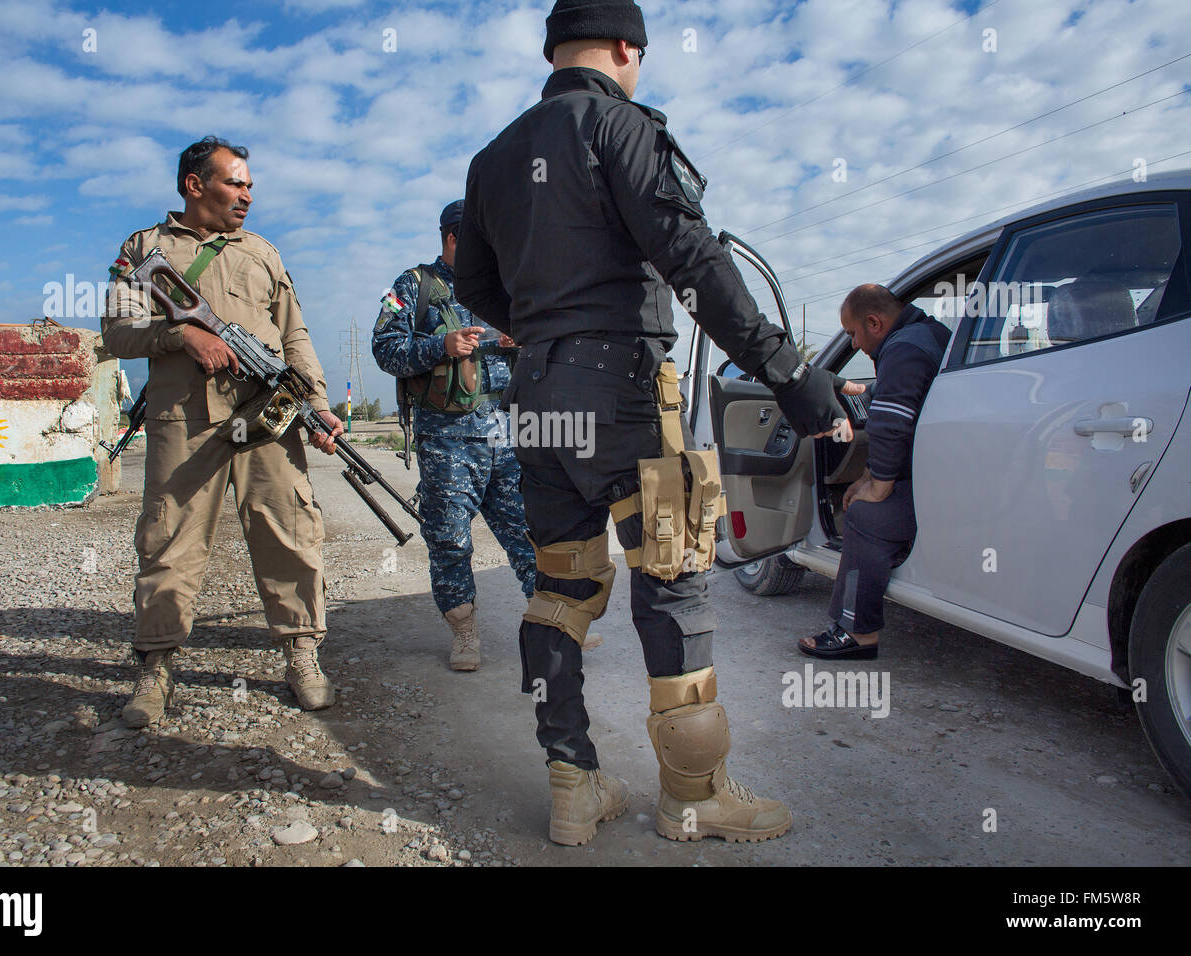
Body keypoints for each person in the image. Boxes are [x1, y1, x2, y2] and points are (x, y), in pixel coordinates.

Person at [455, 0, 855, 846]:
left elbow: (477, 290)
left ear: (553, 52)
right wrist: (795, 379)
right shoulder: (622, 127)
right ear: (628, 49)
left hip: (534, 398)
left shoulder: (492, 160)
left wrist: (544, 331)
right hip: (624, 393)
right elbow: (697, 261)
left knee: (562, 588)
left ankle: (574, 789)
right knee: (674, 578)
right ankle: (693, 796)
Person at [101, 135, 345, 729]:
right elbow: (118, 331)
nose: (247, 195)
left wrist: (316, 404)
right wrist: (182, 336)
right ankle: (155, 668)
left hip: (268, 419)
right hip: (184, 421)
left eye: (250, 186)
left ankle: (301, 653)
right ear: (194, 185)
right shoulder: (146, 248)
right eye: (236, 183)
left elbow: (294, 336)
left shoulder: (263, 252)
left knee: (289, 530)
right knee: (170, 541)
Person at [372, 201, 537, 670]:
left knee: (528, 530)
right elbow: (384, 350)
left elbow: (538, 338)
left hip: (504, 432)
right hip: (446, 440)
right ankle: (464, 632)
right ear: (453, 239)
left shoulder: (501, 285)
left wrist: (517, 339)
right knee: (449, 538)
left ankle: (554, 622)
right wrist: (439, 346)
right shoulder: (410, 286)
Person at [799, 284, 951, 660]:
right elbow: (891, 400)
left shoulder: (903, 349)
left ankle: (856, 632)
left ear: (874, 322)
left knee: (865, 514)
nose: (852, 345)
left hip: (939, 490)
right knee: (865, 495)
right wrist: (869, 475)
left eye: (852, 334)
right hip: (946, 476)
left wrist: (878, 486)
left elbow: (891, 423)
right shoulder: (928, 336)